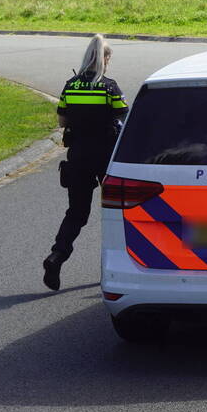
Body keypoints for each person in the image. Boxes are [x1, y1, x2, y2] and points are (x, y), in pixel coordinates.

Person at [43, 34, 128, 290]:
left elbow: (62, 121)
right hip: (106, 158)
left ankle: (57, 255)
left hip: (78, 157)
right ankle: (115, 270)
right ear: (105, 58)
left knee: (76, 213)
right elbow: (125, 119)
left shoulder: (70, 86)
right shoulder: (110, 87)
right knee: (117, 215)